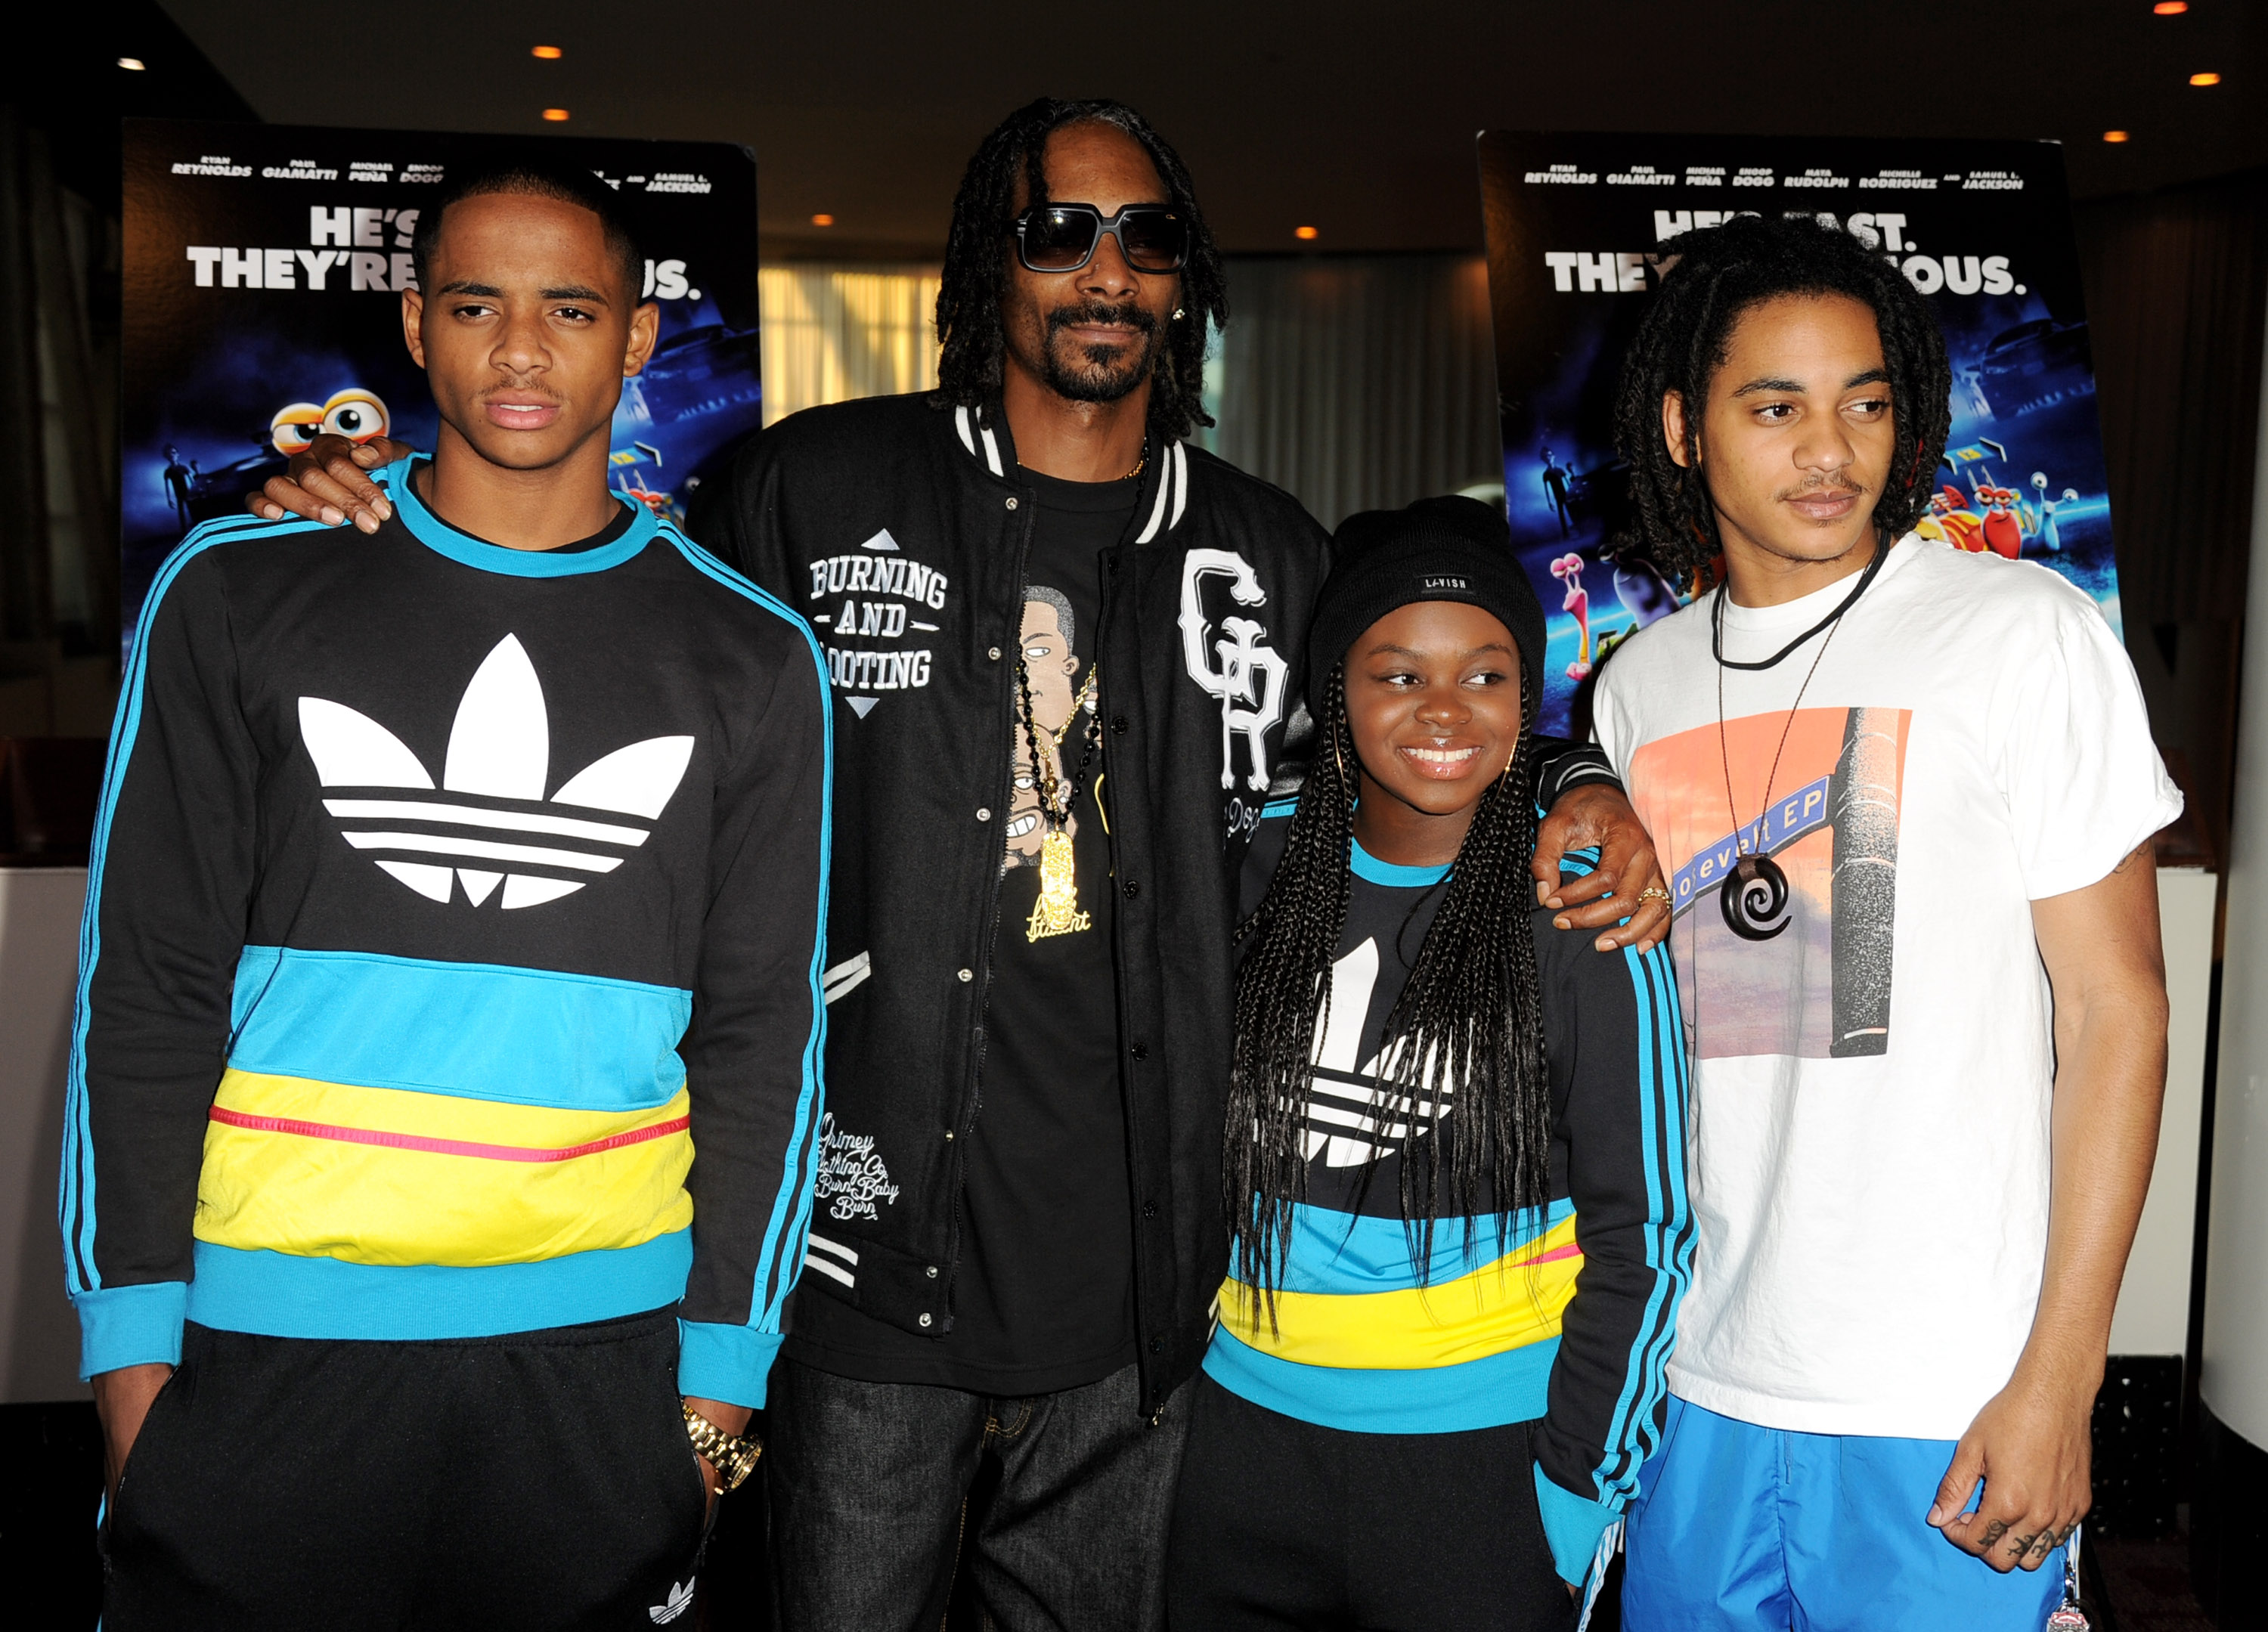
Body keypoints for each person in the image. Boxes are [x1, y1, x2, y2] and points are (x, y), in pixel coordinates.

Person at [246, 98, 1671, 1630]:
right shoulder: (813, 490)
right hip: (865, 1282)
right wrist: (367, 518)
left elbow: (1423, 706)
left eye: (1147, 235)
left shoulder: (1267, 551)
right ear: (989, 265)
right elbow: (607, 603)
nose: (1104, 269)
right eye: (1059, 231)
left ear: (1185, 280)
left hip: (1148, 1308)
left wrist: (1577, 776)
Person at [68, 159, 830, 1627]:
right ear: (416, 328)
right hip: (256, 1362)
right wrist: (132, 1369)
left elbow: (764, 1039)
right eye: (478, 304)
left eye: (570, 307)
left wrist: (719, 1393)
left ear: (639, 339)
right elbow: (145, 988)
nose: (523, 350)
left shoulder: (750, 653)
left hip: (601, 1378)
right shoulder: (237, 591)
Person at [1589, 213, 2180, 1629]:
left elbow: (2120, 1013)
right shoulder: (1638, 685)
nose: (1831, 450)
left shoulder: (2017, 632)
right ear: (1683, 426)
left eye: (1865, 401)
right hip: (1698, 1387)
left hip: (1952, 1398)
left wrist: (2061, 1375)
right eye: (1775, 406)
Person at [1166, 497, 1689, 1631]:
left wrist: (1573, 1494)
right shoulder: (1254, 855)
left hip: (1482, 1471)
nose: (1446, 710)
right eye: (1399, 675)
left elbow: (1647, 1230)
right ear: (1336, 689)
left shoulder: (1582, 898)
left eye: (1488, 676)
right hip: (1240, 1452)